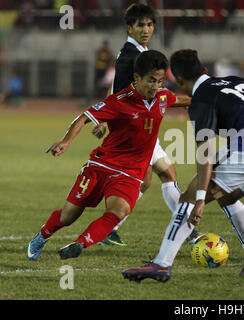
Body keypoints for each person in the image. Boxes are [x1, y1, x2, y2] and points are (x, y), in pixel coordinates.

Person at [122, 49, 244, 282]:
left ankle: (161, 264)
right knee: (227, 198)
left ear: (179, 81)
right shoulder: (233, 81)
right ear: (204, 70)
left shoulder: (201, 99)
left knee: (187, 199)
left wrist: (199, 198)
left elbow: (205, 153)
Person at [26, 50, 189, 261]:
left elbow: (183, 100)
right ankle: (42, 236)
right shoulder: (119, 101)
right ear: (137, 78)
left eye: (159, 81)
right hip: (101, 165)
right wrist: (66, 141)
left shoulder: (162, 96)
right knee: (68, 216)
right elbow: (84, 117)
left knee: (119, 211)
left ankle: (80, 243)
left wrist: (210, 100)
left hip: (131, 172)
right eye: (151, 81)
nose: (155, 86)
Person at [93, 3, 196, 246]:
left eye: (150, 24)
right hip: (135, 129)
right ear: (129, 28)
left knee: (146, 180)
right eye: (140, 25)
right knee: (168, 174)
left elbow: (116, 89)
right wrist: (105, 120)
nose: (146, 29)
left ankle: (111, 226)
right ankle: (187, 230)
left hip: (140, 126)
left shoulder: (136, 53)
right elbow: (119, 92)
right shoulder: (130, 56)